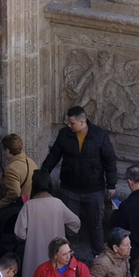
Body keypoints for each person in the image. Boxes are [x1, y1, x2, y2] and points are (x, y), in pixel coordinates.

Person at [39, 105, 118, 254]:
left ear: (82, 122)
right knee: (68, 225)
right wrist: (43, 174)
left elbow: (109, 161)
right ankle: (66, 254)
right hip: (70, 188)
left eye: (72, 123)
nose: (69, 125)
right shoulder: (64, 134)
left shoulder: (100, 135)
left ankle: (98, 255)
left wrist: (111, 184)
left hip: (94, 189)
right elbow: (54, 155)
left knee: (96, 224)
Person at [14, 176, 80, 277]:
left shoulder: (29, 206)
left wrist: (28, 238)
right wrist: (66, 232)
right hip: (57, 253)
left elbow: (19, 232)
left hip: (34, 253)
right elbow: (75, 223)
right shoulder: (58, 203)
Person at [0, 133, 37, 268]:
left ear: (7, 151)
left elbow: (15, 192)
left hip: (17, 210)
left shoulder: (12, 168)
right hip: (29, 204)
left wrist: (1, 203)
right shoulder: (30, 161)